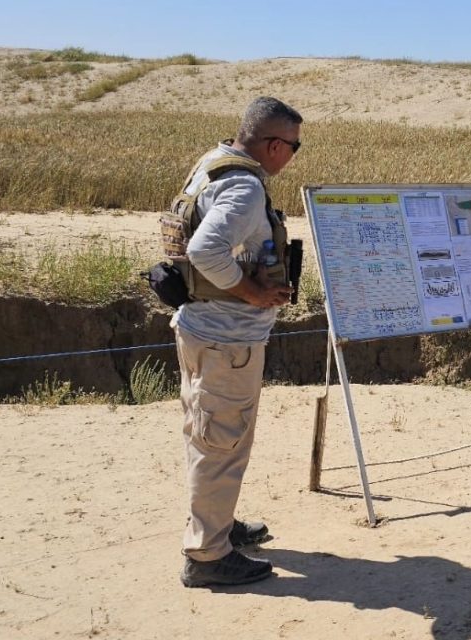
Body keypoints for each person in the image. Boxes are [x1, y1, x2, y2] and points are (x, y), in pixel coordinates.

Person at [172, 97, 302, 587]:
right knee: (221, 443)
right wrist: (251, 291)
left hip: (201, 329)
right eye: (293, 146)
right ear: (273, 144)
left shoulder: (213, 163)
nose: (292, 155)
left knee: (207, 436)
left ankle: (216, 527)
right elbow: (203, 248)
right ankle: (207, 556)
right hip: (227, 341)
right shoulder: (245, 187)